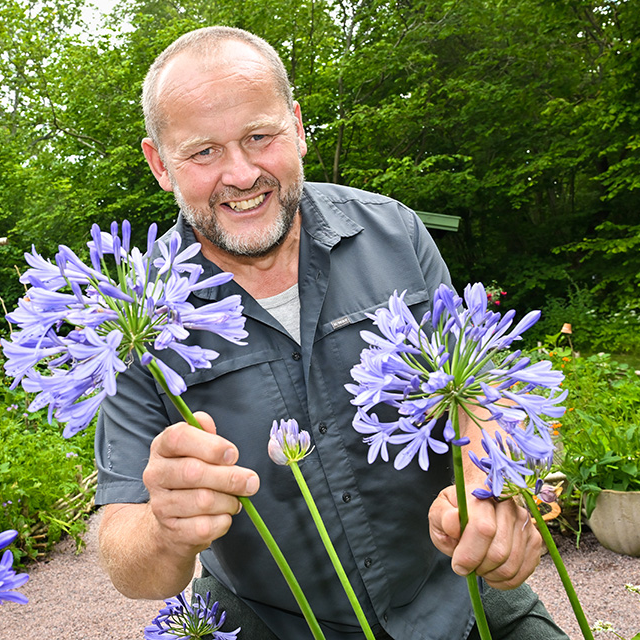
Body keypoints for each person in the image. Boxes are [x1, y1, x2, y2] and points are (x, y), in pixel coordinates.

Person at [95, 26, 568, 640]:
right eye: (203, 152)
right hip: (268, 623)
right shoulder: (133, 316)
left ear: (297, 127)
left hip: (457, 603)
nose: (240, 174)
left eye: (260, 137)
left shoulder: (394, 233)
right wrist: (164, 524)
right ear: (160, 164)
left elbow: (482, 385)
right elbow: (129, 565)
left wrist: (491, 482)